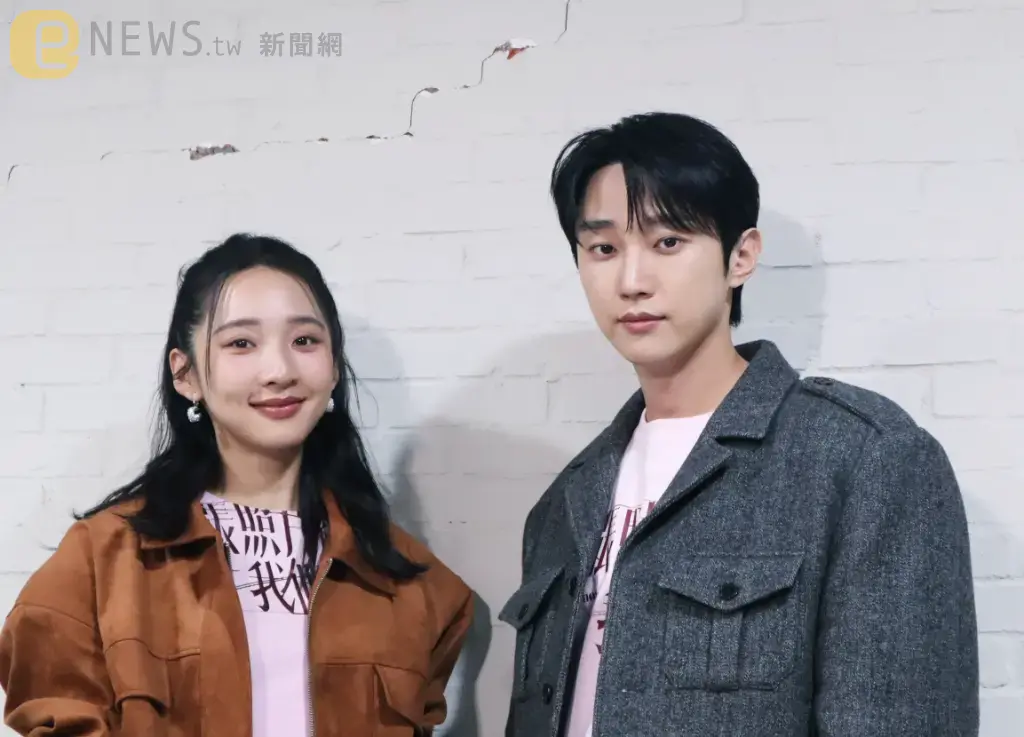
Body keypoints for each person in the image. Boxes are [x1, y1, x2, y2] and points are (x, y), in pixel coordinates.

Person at [499, 112, 979, 737]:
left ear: (741, 256)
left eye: (668, 242)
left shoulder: (862, 459)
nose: (631, 281)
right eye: (604, 249)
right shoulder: (566, 500)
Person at [0, 233, 474, 737]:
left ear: (334, 367)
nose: (279, 371)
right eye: (241, 343)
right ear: (186, 374)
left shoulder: (416, 587)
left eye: (305, 341)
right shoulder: (97, 562)